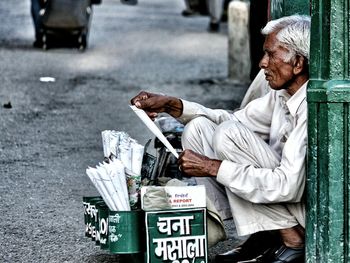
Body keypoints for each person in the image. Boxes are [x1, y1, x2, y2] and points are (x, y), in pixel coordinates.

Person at [131, 14, 310, 262]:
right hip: (282, 197)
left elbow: (287, 186)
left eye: (271, 55)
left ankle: (293, 239)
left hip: (304, 209)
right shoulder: (282, 95)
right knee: (199, 129)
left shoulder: (309, 107)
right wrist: (174, 105)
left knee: (228, 137)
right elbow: (233, 120)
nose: (262, 63)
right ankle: (268, 231)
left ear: (298, 63)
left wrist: (213, 168)